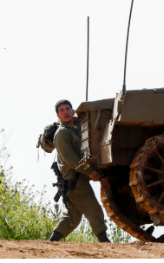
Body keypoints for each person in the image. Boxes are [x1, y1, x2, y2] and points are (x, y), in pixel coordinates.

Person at [48, 99, 110, 243]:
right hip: (74, 180)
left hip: (76, 180)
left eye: (68, 109)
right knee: (94, 210)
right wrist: (90, 173)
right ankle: (105, 242)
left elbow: (85, 156)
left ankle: (52, 241)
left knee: (73, 216)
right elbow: (72, 159)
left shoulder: (76, 130)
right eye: (62, 110)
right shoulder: (62, 133)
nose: (65, 112)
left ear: (73, 111)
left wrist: (100, 176)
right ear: (58, 114)